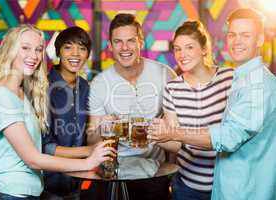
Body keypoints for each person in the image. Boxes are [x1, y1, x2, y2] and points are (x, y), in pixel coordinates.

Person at [148, 8, 276, 200]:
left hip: (244, 190)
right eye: (232, 34)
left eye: (245, 35)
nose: (237, 41)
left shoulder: (248, 82)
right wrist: (157, 135)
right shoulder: (243, 79)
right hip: (202, 184)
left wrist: (173, 132)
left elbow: (228, 137)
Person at [0, 24, 115, 200]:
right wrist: (89, 157)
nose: (33, 55)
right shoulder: (4, 95)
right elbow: (34, 156)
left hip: (37, 190)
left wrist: (101, 127)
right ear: (9, 50)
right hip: (10, 193)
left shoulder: (22, 93)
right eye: (25, 48)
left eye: (38, 50)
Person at [87, 13, 176, 200]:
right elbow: (91, 139)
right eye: (118, 41)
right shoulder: (99, 83)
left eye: (131, 41)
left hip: (155, 173)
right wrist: (103, 129)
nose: (125, 47)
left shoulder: (165, 75)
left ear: (141, 42)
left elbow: (176, 136)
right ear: (110, 45)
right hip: (114, 175)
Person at [155, 20, 233, 200]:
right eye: (177, 49)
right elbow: (175, 143)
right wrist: (154, 137)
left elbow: (234, 134)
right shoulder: (172, 89)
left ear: (204, 49)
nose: (182, 54)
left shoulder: (228, 79)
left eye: (189, 47)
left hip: (227, 185)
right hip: (187, 187)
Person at [41, 26, 93, 199]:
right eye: (68, 47)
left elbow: (88, 130)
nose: (75, 54)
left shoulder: (86, 87)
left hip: (77, 184)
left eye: (82, 48)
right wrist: (89, 151)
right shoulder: (42, 88)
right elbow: (44, 146)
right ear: (58, 51)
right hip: (47, 186)